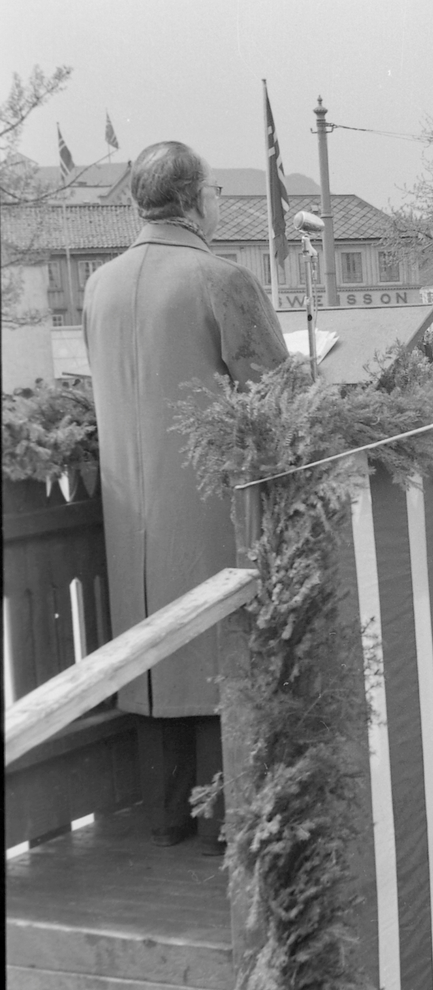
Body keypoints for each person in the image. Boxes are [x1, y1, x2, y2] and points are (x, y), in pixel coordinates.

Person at [84, 140, 289, 850]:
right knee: (217, 656)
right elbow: (278, 395)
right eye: (216, 190)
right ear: (195, 198)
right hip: (213, 508)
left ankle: (166, 817)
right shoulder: (220, 279)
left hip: (128, 518)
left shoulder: (100, 285)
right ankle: (222, 827)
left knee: (155, 655)